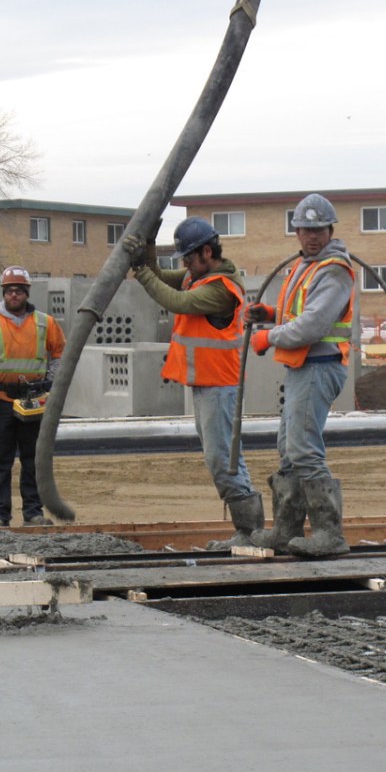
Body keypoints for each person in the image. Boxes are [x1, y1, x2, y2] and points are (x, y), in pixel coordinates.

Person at [123, 217, 263, 548]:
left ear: (206, 252)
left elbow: (177, 302)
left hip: (220, 385)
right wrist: (148, 249)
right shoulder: (197, 276)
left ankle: (250, 532)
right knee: (219, 456)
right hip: (206, 383)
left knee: (223, 458)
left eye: (188, 257)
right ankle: (248, 531)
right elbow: (162, 279)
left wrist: (140, 269)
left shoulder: (221, 289)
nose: (184, 264)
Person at [245, 193, 355, 557]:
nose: (312, 236)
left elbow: (312, 325)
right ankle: (286, 530)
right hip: (302, 367)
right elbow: (298, 313)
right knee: (289, 450)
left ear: (330, 230)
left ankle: (330, 534)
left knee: (303, 449)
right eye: (306, 230)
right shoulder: (307, 266)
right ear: (297, 232)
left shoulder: (333, 270)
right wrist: (269, 314)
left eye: (318, 229)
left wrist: (267, 337)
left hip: (319, 366)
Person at [0, 266, 66, 528]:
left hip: (33, 402)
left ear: (26, 294)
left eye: (19, 291)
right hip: (1, 400)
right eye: (10, 291)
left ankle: (33, 512)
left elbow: (60, 353)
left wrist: (51, 380)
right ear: (4, 293)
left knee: (32, 459)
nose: (14, 295)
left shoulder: (45, 323)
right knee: (1, 460)